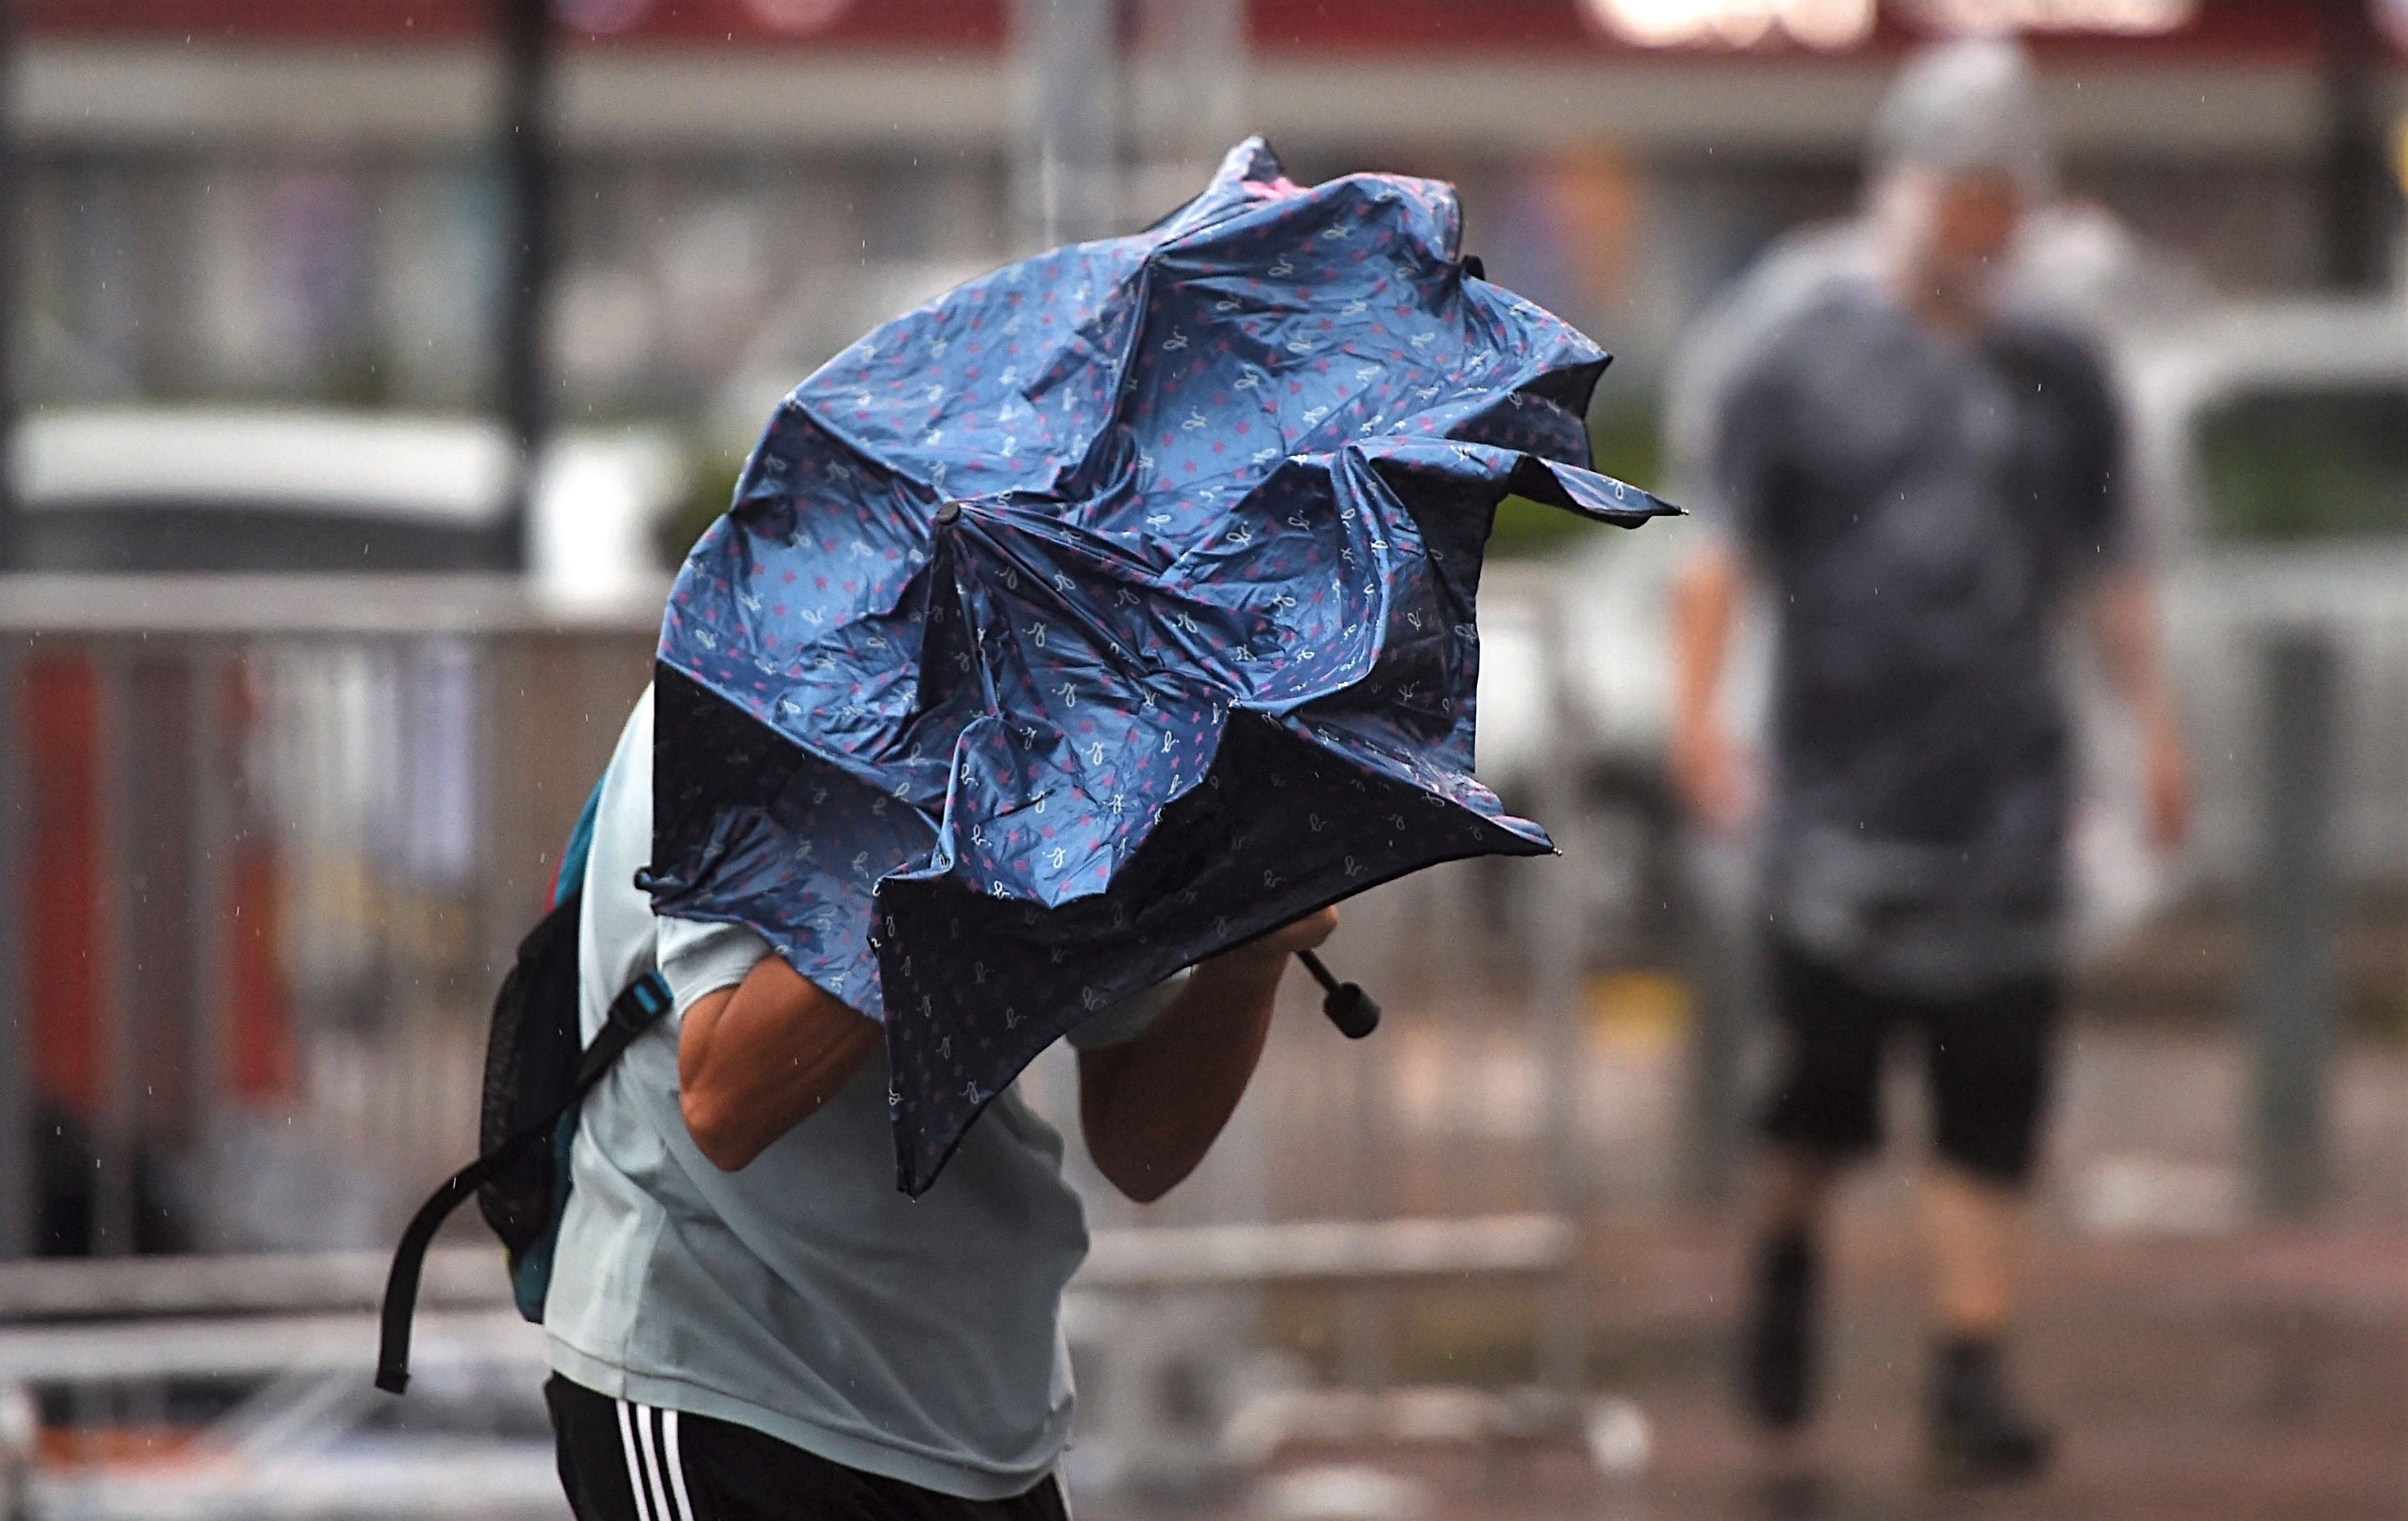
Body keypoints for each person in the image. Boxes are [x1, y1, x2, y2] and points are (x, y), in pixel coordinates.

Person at [1666, 39, 2191, 1482]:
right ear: (1905, 190)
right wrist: (1699, 720)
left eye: (2008, 205)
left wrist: (2153, 726)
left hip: (2010, 794)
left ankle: (1971, 1367)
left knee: (1994, 1095)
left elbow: (2110, 564)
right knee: (1824, 1095)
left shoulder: (2057, 369)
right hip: (1836, 791)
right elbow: (1724, 555)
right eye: (1966, 199)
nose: (1989, 232)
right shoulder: (1800, 359)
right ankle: (1785, 1253)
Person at [540, 683, 1336, 1519]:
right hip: (729, 1389)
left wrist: (1249, 961)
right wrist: (978, 842)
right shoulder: (757, 670)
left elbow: (1139, 1150)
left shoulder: (1052, 690)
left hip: (984, 1421)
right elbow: (725, 1100)